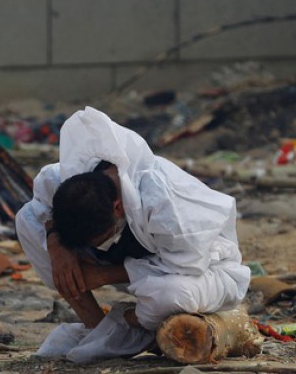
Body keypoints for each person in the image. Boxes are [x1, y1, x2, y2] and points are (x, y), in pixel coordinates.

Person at [16, 107, 250, 363]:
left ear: (117, 208)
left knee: (173, 295)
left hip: (204, 271)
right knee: (27, 220)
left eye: (99, 240)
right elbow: (41, 204)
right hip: (133, 267)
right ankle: (96, 327)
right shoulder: (66, 178)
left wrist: (103, 275)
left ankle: (128, 327)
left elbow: (179, 268)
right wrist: (57, 245)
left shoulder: (169, 210)